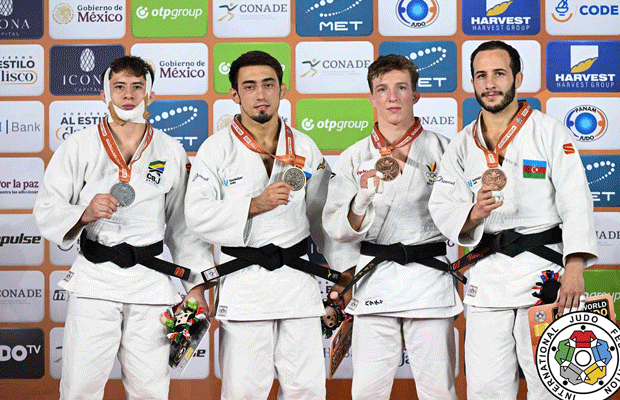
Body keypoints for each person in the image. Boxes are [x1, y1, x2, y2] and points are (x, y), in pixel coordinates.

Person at [33, 55, 212, 400]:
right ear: (105, 94)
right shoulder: (78, 146)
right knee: (80, 388)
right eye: (119, 87)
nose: (128, 95)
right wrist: (84, 213)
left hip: (151, 284)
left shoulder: (170, 150)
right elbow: (47, 207)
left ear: (150, 95)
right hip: (95, 281)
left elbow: (183, 227)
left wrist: (196, 286)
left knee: (150, 390)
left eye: (137, 87)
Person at [428, 41, 598, 400]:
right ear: (473, 83)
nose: (490, 84)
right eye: (481, 76)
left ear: (518, 78)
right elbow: (442, 205)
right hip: (487, 278)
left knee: (552, 383)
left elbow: (576, 201)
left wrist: (575, 267)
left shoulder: (549, 131)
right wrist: (473, 213)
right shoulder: (462, 144)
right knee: (485, 387)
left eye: (499, 74)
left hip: (546, 276)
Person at [184, 50, 349, 400]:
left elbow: (323, 216)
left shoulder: (304, 146)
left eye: (268, 84)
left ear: (282, 89)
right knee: (244, 392)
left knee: (307, 390)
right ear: (235, 94)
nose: (260, 94)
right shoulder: (216, 149)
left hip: (297, 285)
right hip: (244, 285)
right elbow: (196, 215)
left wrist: (342, 270)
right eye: (249, 86)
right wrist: (254, 205)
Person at [322, 54, 462, 400]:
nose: (392, 97)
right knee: (367, 391)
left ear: (416, 94)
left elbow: (462, 217)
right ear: (372, 98)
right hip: (375, 280)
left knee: (438, 391)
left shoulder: (446, 150)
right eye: (382, 89)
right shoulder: (354, 156)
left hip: (428, 280)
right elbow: (336, 228)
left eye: (401, 87)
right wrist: (360, 203)